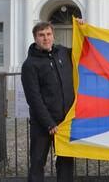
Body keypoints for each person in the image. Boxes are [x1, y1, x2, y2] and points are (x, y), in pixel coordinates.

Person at [21, 21, 74, 182]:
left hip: (64, 122)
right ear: (35, 38)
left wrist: (82, 26)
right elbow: (34, 98)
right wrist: (49, 124)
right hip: (43, 125)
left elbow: (84, 47)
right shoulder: (30, 65)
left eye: (48, 34)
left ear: (53, 35)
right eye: (41, 35)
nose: (46, 38)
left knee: (65, 164)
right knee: (38, 163)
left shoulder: (63, 53)